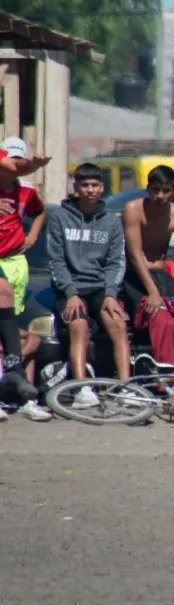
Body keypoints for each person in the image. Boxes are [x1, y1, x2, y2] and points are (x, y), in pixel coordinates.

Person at [47, 163, 130, 400]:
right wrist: (70, 293)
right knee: (79, 327)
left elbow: (116, 261)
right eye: (84, 185)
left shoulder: (112, 222)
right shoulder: (60, 218)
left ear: (102, 187)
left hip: (102, 289)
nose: (90, 190)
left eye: (94, 185)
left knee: (119, 325)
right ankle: (82, 388)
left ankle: (125, 388)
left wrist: (111, 293)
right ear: (76, 187)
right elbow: (56, 261)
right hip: (71, 289)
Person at [121, 165, 174, 382]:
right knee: (161, 319)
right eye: (155, 190)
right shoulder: (133, 209)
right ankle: (168, 378)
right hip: (137, 277)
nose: (159, 196)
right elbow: (135, 254)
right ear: (147, 189)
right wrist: (153, 293)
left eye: (165, 191)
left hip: (163, 275)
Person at [0, 140, 50, 421]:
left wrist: (31, 237)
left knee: (19, 328)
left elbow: (39, 211)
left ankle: (23, 394)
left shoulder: (26, 191)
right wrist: (35, 163)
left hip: (16, 262)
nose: (14, 168)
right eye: (11, 161)